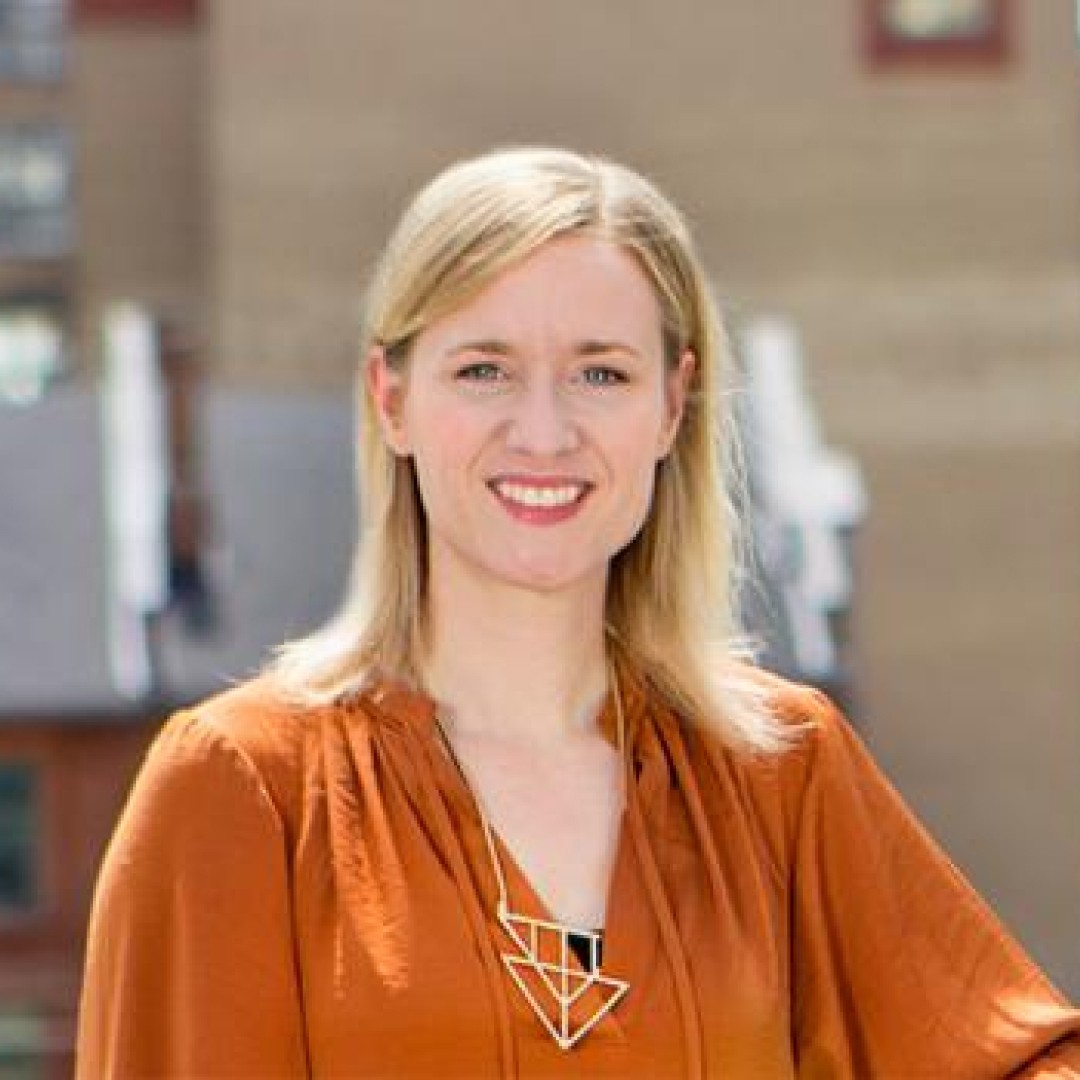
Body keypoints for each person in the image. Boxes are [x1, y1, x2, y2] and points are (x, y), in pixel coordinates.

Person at [76, 147, 1080, 1079]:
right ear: (391, 398)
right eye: (485, 370)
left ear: (672, 405)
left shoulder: (779, 770)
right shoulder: (245, 788)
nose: (544, 432)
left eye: (601, 372)